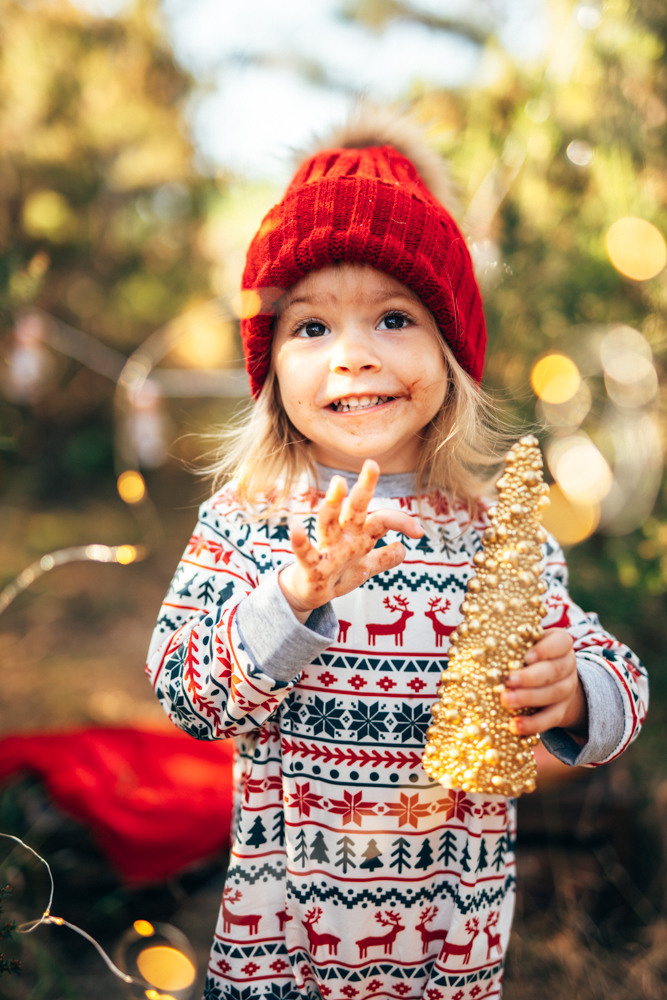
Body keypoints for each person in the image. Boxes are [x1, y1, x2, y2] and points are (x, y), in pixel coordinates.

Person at [146, 108, 648, 1000]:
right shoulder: (249, 520)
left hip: (446, 938)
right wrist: (290, 598)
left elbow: (618, 674)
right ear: (268, 368)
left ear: (451, 351)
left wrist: (576, 693)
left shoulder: (497, 531)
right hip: (283, 938)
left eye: (392, 318)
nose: (351, 357)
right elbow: (186, 690)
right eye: (310, 329)